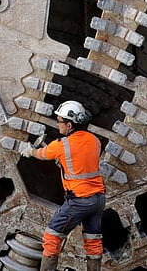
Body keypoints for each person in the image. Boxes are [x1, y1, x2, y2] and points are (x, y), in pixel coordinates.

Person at [22, 100, 105, 271]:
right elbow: (81, 162)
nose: (58, 125)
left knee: (52, 236)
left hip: (79, 201)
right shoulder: (95, 140)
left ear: (69, 124)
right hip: (98, 200)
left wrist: (30, 151)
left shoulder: (61, 145)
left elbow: (43, 154)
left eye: (60, 122)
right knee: (93, 242)